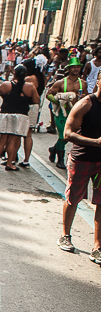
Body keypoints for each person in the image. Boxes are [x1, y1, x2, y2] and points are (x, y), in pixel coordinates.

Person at [58, 77, 101, 262]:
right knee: (74, 197)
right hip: (82, 159)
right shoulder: (86, 104)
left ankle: (97, 246)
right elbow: (67, 133)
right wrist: (96, 142)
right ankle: (65, 235)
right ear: (98, 82)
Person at [0, 64, 39, 171]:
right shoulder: (30, 87)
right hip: (20, 116)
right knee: (13, 140)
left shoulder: (6, 84)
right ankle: (9, 164)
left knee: (2, 140)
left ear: (14, 73)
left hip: (5, 114)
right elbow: (36, 101)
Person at [47, 56, 88, 169]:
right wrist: (58, 100)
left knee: (70, 136)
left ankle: (54, 149)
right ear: (68, 69)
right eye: (73, 67)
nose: (75, 69)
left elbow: (87, 97)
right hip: (62, 112)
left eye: (78, 67)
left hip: (76, 113)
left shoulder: (83, 83)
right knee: (63, 136)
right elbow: (48, 94)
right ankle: (60, 160)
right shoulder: (61, 83)